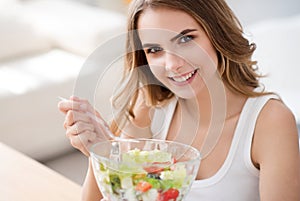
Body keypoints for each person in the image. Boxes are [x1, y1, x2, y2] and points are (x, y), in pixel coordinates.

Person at [58, 0, 300, 200]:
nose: (172, 64)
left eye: (186, 39)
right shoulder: (147, 107)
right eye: (154, 50)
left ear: (217, 34)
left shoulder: (268, 122)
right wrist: (102, 154)